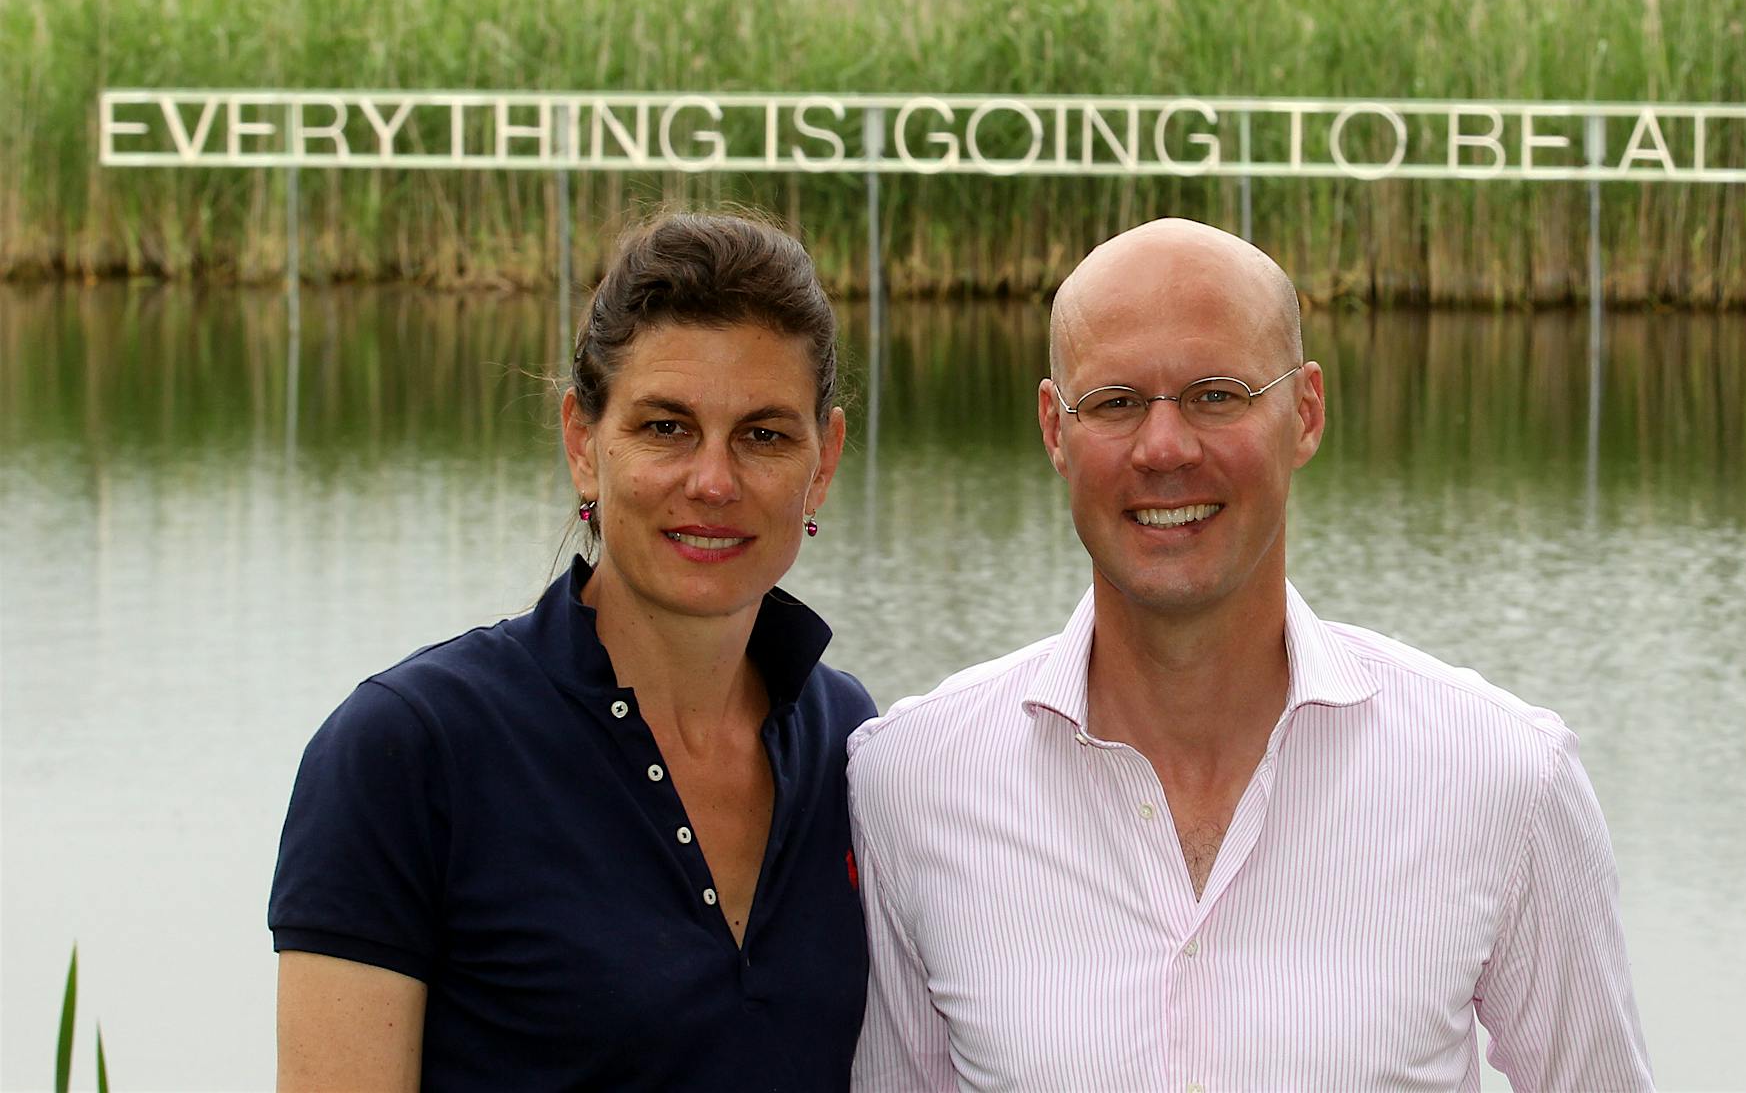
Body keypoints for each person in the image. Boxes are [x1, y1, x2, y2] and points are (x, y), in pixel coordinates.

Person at [848, 217, 1652, 1093]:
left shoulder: (1504, 777)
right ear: (1054, 429)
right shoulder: (913, 784)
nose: (1164, 448)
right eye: (1116, 402)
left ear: (1305, 413)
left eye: (1216, 394)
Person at [270, 212, 873, 1092]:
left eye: (764, 435)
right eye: (665, 427)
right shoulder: (407, 751)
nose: (713, 480)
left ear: (822, 466)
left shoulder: (853, 745)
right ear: (584, 444)